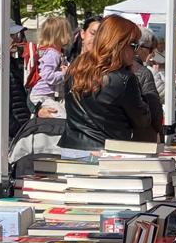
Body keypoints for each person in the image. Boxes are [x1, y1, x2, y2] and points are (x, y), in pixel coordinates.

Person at [61, 14, 155, 149]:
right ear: (119, 45)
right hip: (107, 152)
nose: (135, 52)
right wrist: (147, 97)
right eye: (133, 45)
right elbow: (142, 120)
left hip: (72, 148)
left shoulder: (75, 68)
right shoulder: (124, 79)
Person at [27, 14, 70, 110]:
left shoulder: (58, 53)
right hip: (42, 95)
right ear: (59, 35)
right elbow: (48, 76)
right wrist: (64, 74)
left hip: (50, 95)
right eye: (67, 31)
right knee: (60, 115)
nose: (69, 34)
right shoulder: (52, 54)